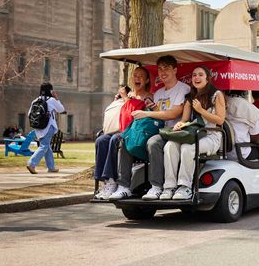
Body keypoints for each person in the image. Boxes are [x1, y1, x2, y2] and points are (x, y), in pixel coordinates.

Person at [110, 56, 190, 200]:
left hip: (173, 132)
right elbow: (156, 114)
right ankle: (124, 186)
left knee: (153, 142)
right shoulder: (158, 93)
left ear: (175, 70)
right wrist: (152, 108)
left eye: (167, 68)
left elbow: (173, 114)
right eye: (160, 69)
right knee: (125, 139)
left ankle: (156, 186)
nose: (163, 72)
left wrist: (147, 112)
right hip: (155, 129)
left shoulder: (183, 89)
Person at [161, 66, 226, 200]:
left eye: (200, 75)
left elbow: (220, 120)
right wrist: (180, 124)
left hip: (211, 136)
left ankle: (185, 187)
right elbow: (185, 120)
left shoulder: (217, 95)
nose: (196, 77)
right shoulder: (190, 97)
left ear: (207, 79)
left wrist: (201, 110)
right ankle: (169, 187)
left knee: (188, 148)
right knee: (170, 145)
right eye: (194, 75)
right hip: (193, 134)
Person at [95, 67, 154, 199]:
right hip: (122, 128)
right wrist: (120, 99)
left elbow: (135, 113)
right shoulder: (129, 95)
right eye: (135, 76)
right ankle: (106, 181)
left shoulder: (149, 97)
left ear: (147, 80)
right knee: (101, 140)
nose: (137, 79)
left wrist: (126, 98)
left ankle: (113, 181)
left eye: (141, 76)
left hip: (136, 132)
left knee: (115, 139)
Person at [26, 83, 65, 173]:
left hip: (38, 127)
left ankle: (51, 167)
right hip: (48, 126)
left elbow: (29, 114)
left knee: (47, 146)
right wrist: (56, 98)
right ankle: (31, 164)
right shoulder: (51, 100)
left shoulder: (35, 100)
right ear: (50, 91)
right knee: (44, 146)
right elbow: (61, 109)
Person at [224, 90, 259, 162]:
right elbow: (256, 138)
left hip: (222, 151)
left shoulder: (220, 103)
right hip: (242, 153)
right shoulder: (252, 109)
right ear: (245, 92)